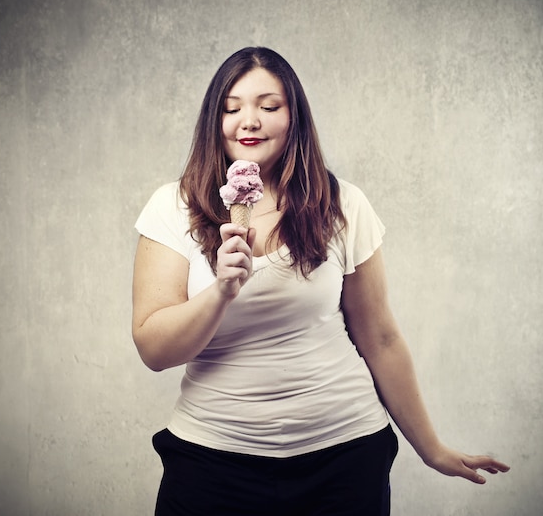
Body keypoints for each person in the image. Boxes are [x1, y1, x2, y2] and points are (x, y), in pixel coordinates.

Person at [132, 46, 509, 516]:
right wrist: (222, 291)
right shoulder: (174, 206)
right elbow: (153, 350)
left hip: (344, 458)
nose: (249, 120)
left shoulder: (342, 204)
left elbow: (381, 338)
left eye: (269, 107)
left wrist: (431, 449)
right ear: (216, 120)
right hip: (212, 463)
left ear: (294, 118)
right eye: (232, 108)